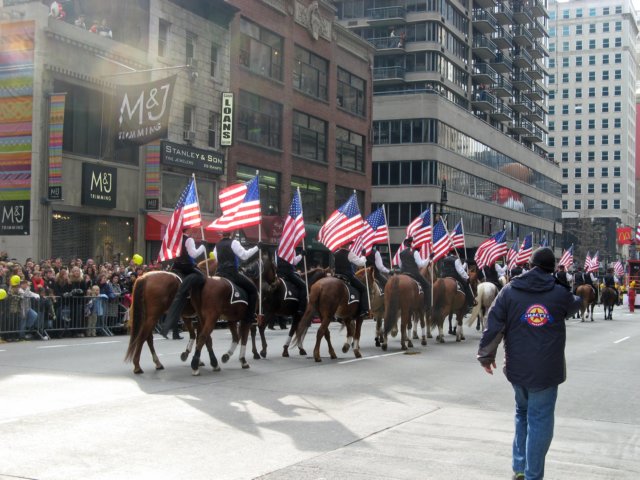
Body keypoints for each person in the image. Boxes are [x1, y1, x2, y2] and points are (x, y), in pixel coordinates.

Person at [477, 247, 582, 480]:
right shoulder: (558, 293)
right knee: (540, 419)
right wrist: (562, 285)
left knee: (522, 413)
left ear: (530, 265)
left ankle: (520, 468)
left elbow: (493, 323)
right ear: (551, 269)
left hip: (517, 368)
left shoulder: (509, 290)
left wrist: (486, 356)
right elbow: (575, 304)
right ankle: (533, 475)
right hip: (546, 371)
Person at [161, 230, 207, 339]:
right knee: (203, 279)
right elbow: (193, 254)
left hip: (176, 267)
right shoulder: (189, 239)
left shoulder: (176, 239)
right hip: (187, 267)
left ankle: (175, 331)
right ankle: (194, 298)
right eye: (191, 229)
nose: (192, 230)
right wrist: (203, 246)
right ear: (188, 230)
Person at [211, 230, 260, 326]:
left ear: (222, 234)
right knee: (253, 290)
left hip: (219, 273)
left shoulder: (217, 246)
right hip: (232, 274)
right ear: (231, 233)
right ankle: (250, 317)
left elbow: (216, 260)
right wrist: (257, 247)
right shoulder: (234, 243)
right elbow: (244, 255)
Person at [333, 241, 369, 318]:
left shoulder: (335, 253)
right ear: (347, 245)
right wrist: (363, 256)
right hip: (347, 276)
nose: (349, 246)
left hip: (336, 276)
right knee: (364, 289)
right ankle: (364, 310)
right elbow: (361, 263)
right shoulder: (349, 254)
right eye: (349, 244)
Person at [398, 237, 430, 310]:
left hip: (403, 273)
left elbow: (400, 265)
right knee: (427, 286)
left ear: (406, 244)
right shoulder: (415, 252)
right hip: (414, 273)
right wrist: (429, 258)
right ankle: (427, 306)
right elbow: (421, 264)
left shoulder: (401, 253)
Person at [275, 249, 307, 319]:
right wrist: (301, 255)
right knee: (304, 287)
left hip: (278, 273)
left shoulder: (277, 250)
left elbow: (276, 262)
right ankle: (301, 309)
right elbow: (294, 262)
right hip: (288, 273)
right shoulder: (291, 249)